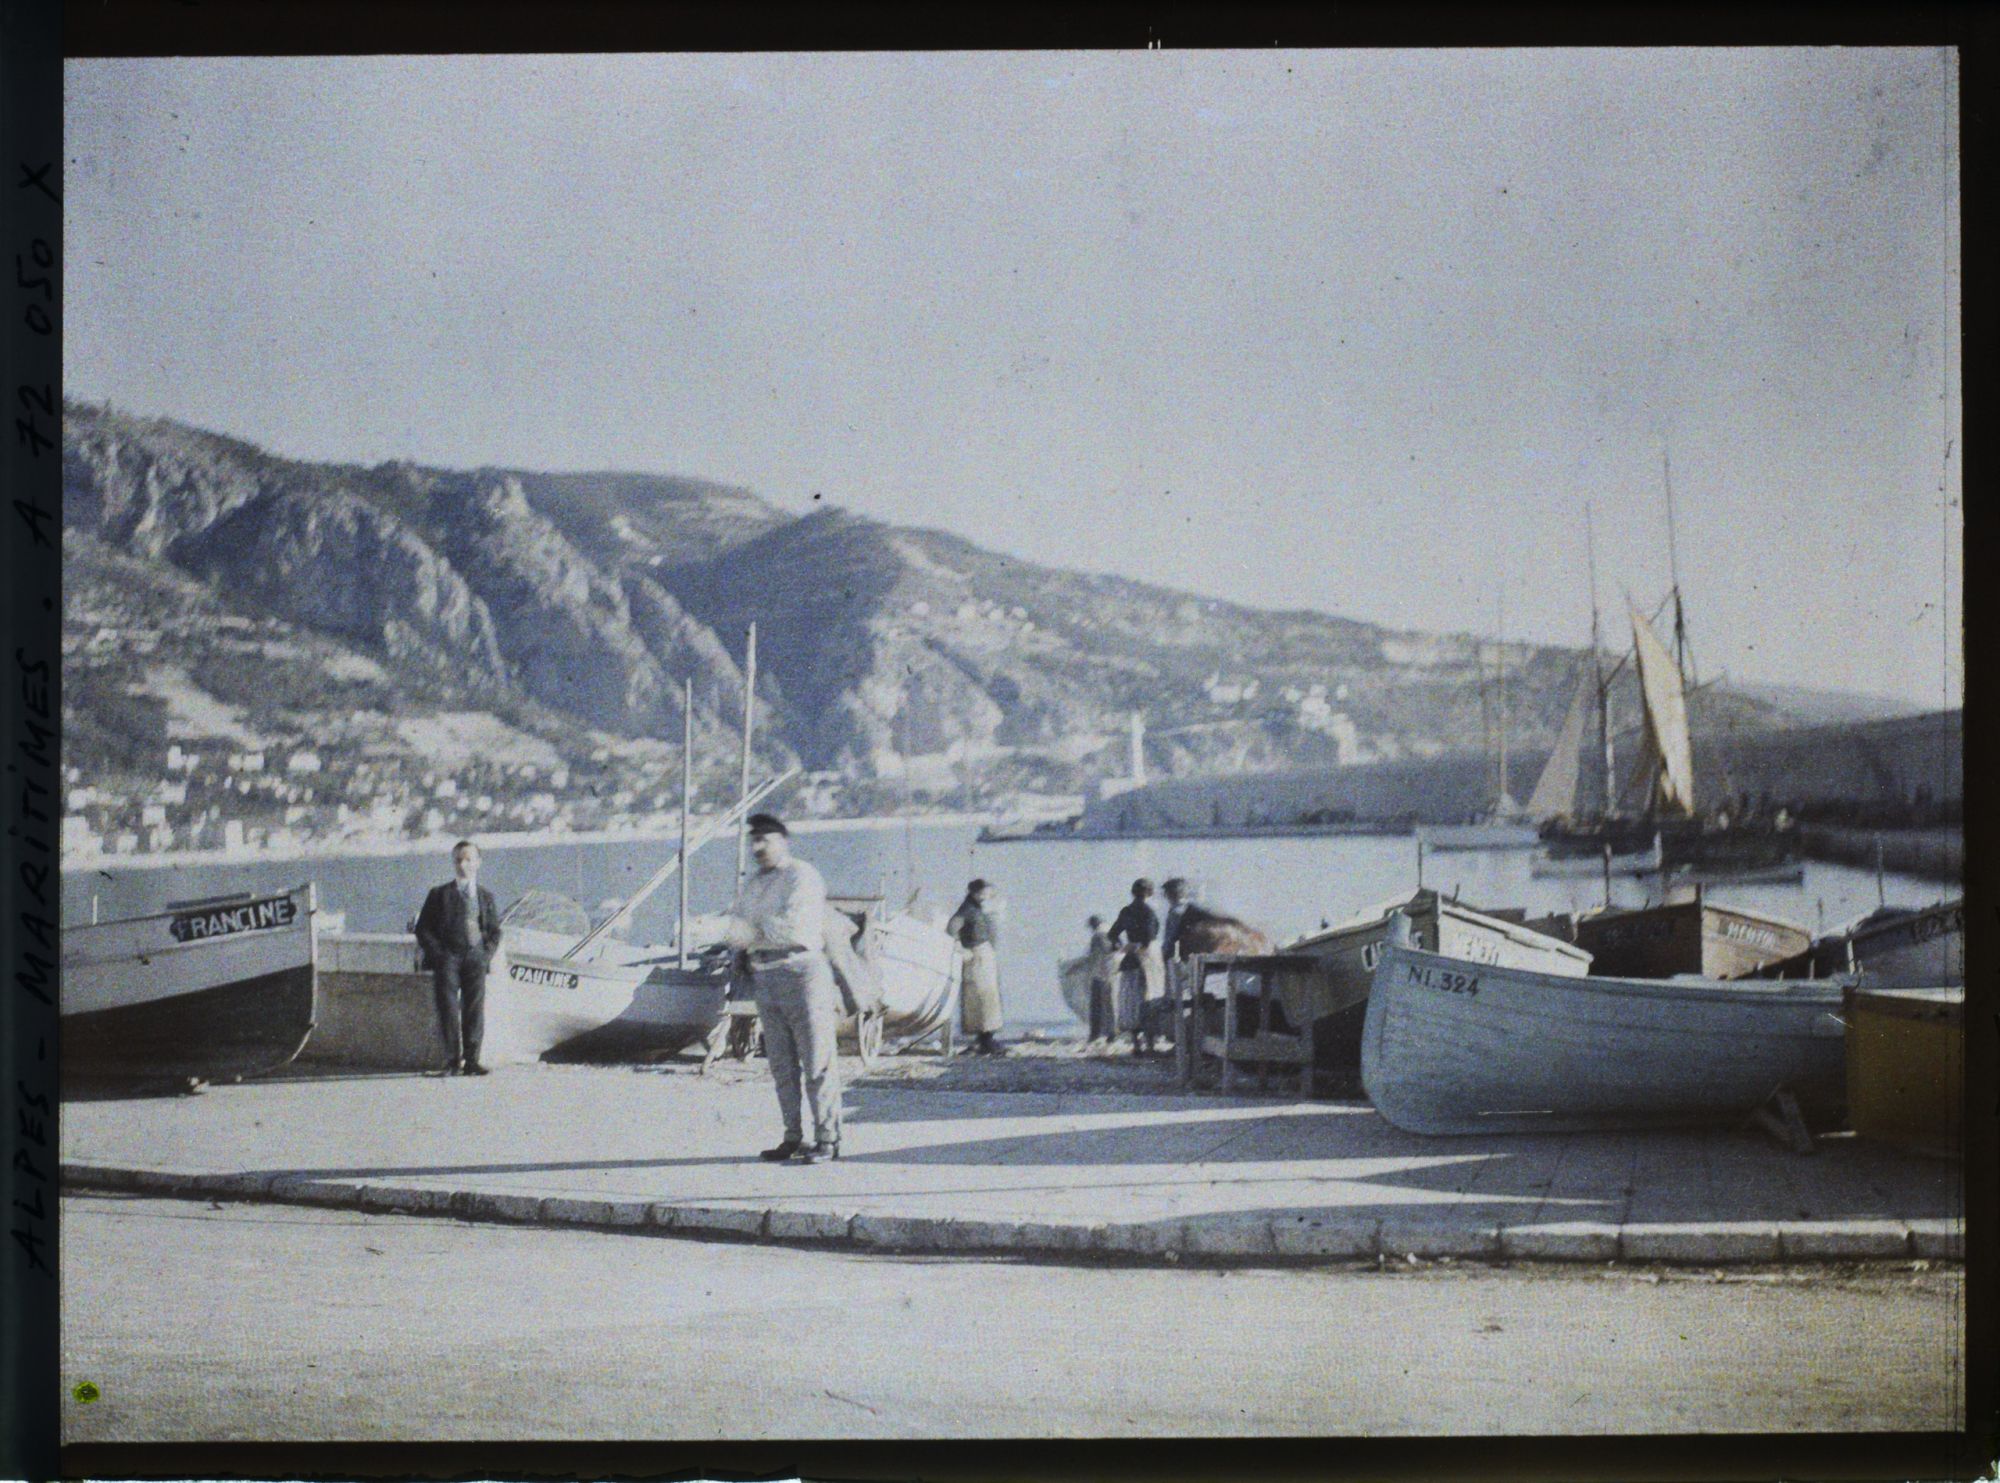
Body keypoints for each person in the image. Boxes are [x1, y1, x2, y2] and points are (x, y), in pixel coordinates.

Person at [724, 813, 843, 1164]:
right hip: (765, 976)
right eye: (755, 840)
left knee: (817, 1060)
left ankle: (828, 1138)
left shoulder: (802, 876)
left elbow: (791, 928)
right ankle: (793, 1136)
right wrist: (743, 943)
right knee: (781, 1065)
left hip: (801, 973)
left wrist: (749, 933)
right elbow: (736, 927)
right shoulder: (753, 884)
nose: (758, 847)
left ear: (783, 841)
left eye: (766, 839)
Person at [414, 839, 503, 1076]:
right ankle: (452, 1062)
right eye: (458, 860)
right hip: (448, 959)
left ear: (478, 862)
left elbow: (495, 931)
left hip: (475, 958)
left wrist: (485, 955)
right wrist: (439, 955)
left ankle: (472, 1061)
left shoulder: (485, 896)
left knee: (474, 1010)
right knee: (448, 1009)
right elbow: (423, 929)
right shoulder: (439, 895)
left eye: (468, 860)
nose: (463, 865)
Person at [948, 878, 1007, 1056]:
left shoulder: (979, 908)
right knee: (980, 997)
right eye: (984, 892)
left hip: (984, 953)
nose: (987, 895)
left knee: (989, 998)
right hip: (976, 955)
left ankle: (987, 1038)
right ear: (976, 892)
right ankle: (984, 1040)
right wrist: (960, 948)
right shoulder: (967, 909)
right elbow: (952, 928)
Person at [1106, 878, 1164, 1054]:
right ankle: (1150, 1044)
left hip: (1130, 960)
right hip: (1148, 960)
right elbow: (1149, 938)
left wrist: (1123, 947)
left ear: (1133, 892)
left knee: (1131, 1001)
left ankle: (1136, 1044)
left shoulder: (1127, 911)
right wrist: (1138, 947)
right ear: (1150, 893)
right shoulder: (1149, 912)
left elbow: (1112, 934)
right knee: (1150, 999)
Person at [1084, 914, 1117, 1045]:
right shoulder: (1112, 932)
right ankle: (1110, 1033)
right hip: (1110, 972)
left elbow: (1095, 955)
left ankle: (1096, 1034)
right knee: (1108, 1004)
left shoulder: (1098, 935)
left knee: (1097, 1005)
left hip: (1100, 973)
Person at [1160, 877, 1193, 964]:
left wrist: (1163, 955)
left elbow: (1170, 937)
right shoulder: (1189, 909)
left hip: (1175, 957)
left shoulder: (1175, 912)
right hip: (1188, 956)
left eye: (1166, 893)